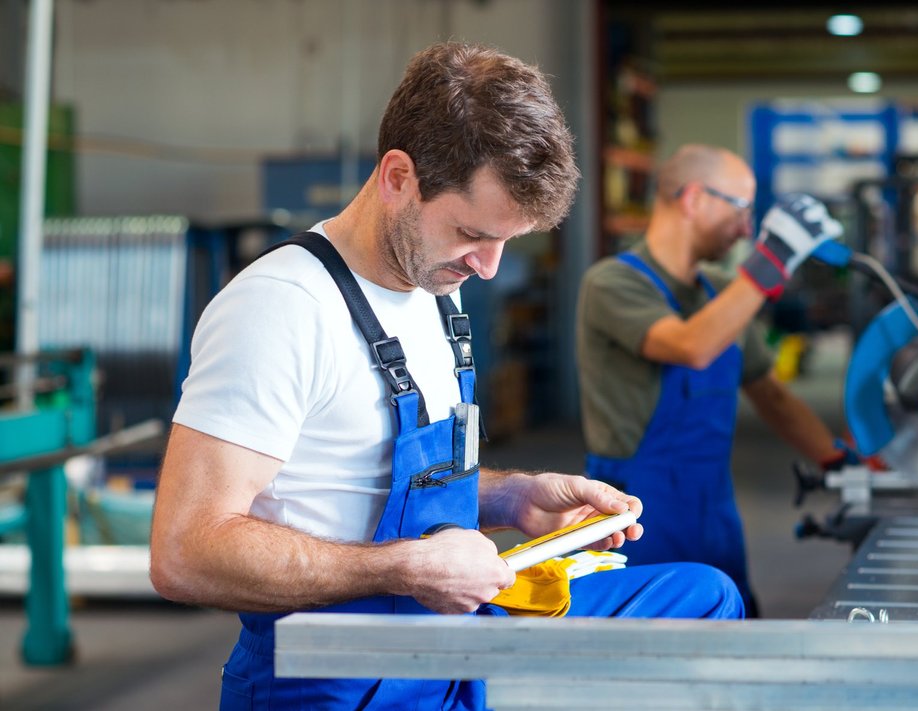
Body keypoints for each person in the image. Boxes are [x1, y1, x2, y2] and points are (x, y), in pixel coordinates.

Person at [149, 43, 743, 711]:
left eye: (506, 241)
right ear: (398, 177)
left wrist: (514, 497)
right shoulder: (280, 308)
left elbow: (364, 473)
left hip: (446, 639)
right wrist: (401, 567)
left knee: (704, 596)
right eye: (471, 233)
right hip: (335, 676)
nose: (488, 267)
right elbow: (185, 552)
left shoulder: (436, 282)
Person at [576, 144, 854, 617]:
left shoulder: (725, 294)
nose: (747, 228)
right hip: (637, 520)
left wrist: (840, 462)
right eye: (742, 207)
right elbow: (692, 346)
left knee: (734, 630)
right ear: (695, 199)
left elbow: (770, 394)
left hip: (714, 509)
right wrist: (773, 259)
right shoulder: (612, 284)